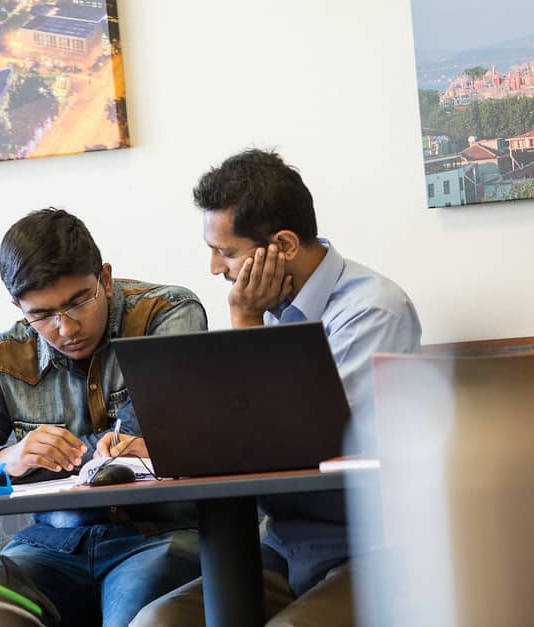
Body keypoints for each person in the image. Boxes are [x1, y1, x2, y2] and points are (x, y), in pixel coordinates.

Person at [133, 149, 422, 626]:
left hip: (367, 551)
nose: (214, 268)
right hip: (280, 546)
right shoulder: (274, 305)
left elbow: (292, 443)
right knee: (156, 622)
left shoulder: (372, 312)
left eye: (226, 252)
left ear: (283, 244)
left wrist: (244, 320)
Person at [0, 208, 207, 627]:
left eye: (79, 302)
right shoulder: (0, 356)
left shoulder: (168, 313)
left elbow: (143, 435)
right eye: (42, 315)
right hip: (49, 546)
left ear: (105, 279)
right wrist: (5, 460)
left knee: (138, 615)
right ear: (18, 306)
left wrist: (50, 463)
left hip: (158, 536)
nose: (66, 327)